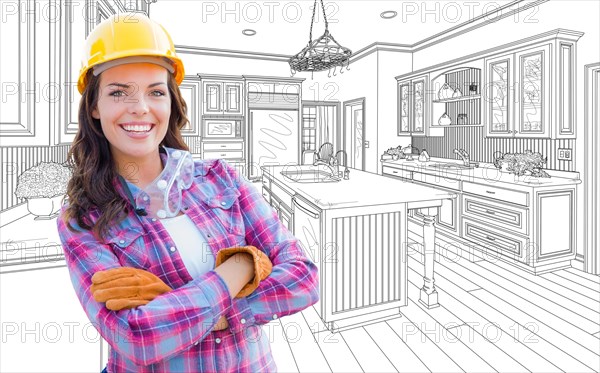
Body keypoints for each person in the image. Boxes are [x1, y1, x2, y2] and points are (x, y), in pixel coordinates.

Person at [56, 13, 319, 372]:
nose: (140, 107)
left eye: (156, 91)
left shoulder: (222, 179)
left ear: (170, 102)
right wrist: (241, 266)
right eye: (119, 92)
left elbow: (304, 277)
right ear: (94, 106)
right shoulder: (82, 219)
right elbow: (139, 338)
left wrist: (189, 310)